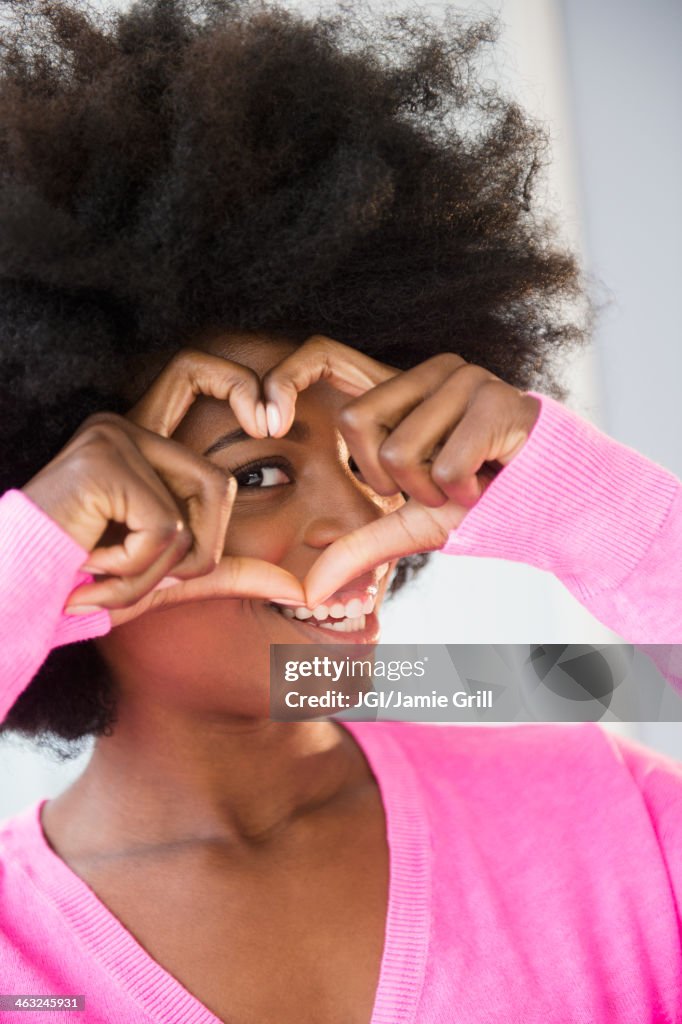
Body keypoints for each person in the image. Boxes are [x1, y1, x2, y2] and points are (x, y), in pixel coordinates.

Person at [0, 1, 680, 1022]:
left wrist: (584, 507)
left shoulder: (586, 793)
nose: (351, 520)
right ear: (97, 520)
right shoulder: (18, 940)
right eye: (262, 474)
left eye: (367, 456)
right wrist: (29, 556)